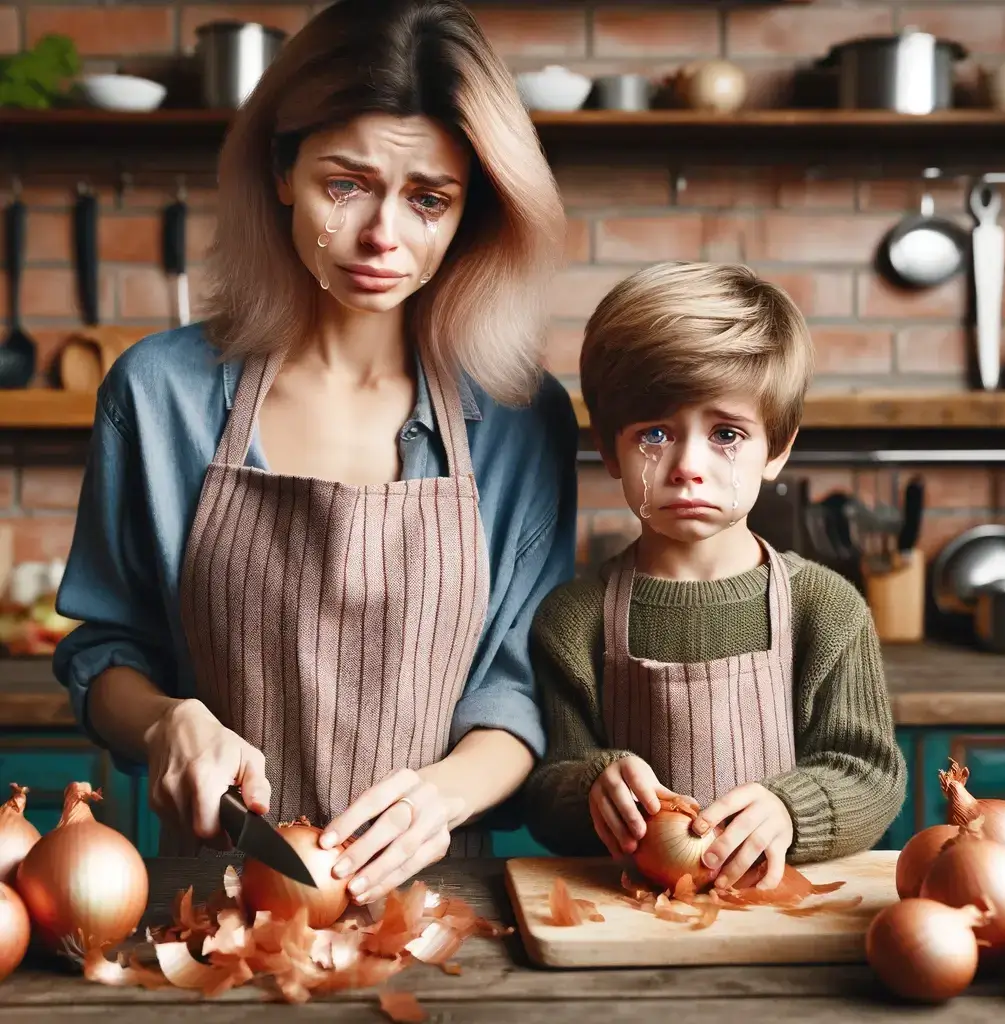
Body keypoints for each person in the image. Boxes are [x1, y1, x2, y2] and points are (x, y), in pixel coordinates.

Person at [52, 0, 577, 906]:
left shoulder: (521, 420)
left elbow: (525, 688)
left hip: (448, 911)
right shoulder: (156, 396)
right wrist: (167, 721)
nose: (385, 236)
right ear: (282, 169)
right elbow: (107, 653)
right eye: (347, 184)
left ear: (471, 213)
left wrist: (442, 797)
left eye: (429, 200)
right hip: (205, 906)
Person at [522, 262, 906, 891]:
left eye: (726, 434)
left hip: (781, 917)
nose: (688, 466)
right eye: (654, 433)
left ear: (777, 448)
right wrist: (591, 786)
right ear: (610, 450)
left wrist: (790, 809)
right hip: (630, 921)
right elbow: (545, 790)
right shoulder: (573, 620)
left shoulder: (826, 608)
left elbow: (868, 771)